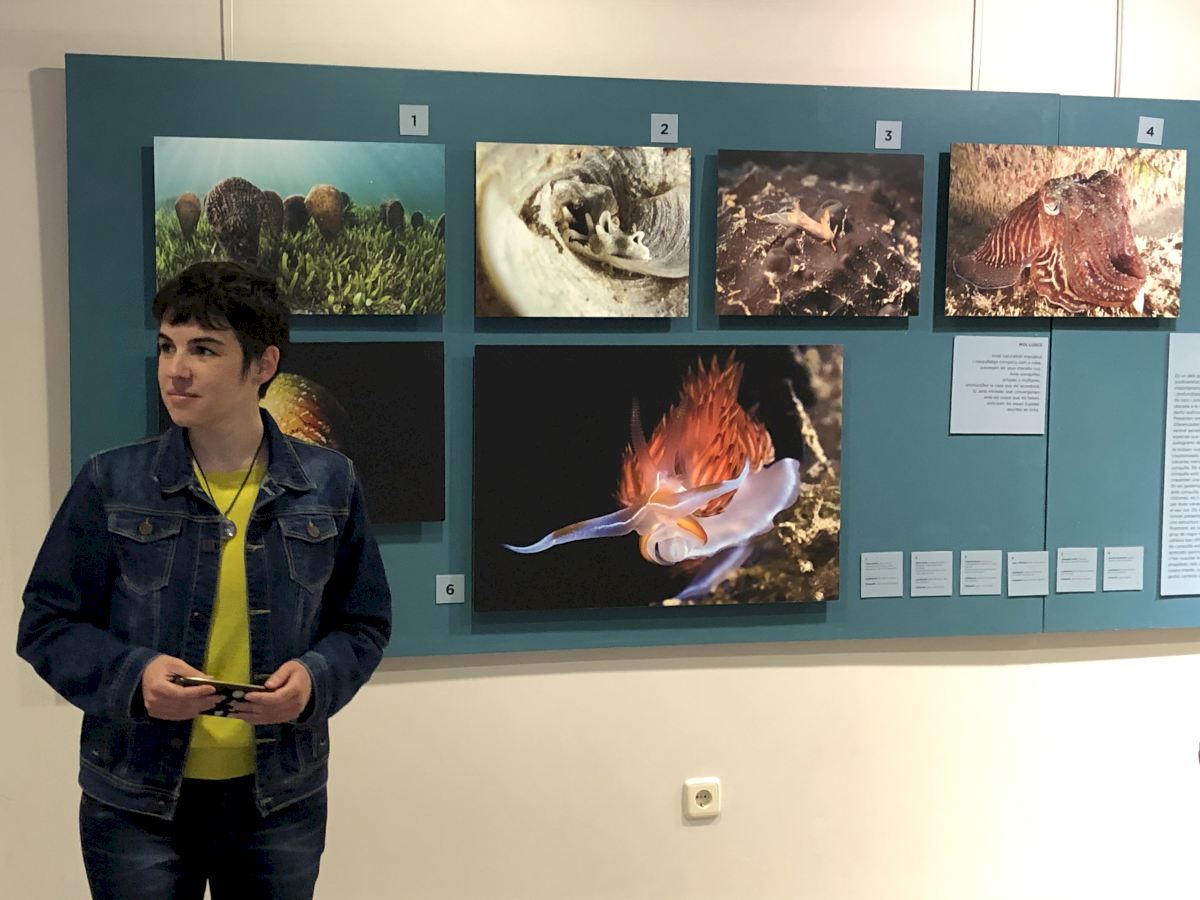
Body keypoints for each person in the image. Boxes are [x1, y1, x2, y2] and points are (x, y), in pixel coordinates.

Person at [17, 260, 392, 899]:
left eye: (204, 349)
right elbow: (47, 625)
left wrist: (314, 680)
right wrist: (134, 677)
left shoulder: (329, 483)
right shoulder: (112, 482)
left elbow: (363, 623)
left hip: (279, 798)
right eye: (168, 346)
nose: (175, 369)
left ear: (263, 364)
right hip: (137, 799)